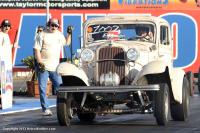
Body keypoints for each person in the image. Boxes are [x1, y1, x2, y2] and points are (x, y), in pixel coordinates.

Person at [33, 18, 72, 116]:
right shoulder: (41, 35)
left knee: (60, 88)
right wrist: (40, 62)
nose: (54, 27)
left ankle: (65, 107)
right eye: (52, 25)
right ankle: (46, 109)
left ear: (58, 26)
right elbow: (36, 49)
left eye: (56, 25)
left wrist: (69, 34)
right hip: (43, 66)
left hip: (55, 67)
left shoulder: (59, 34)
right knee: (42, 88)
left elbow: (67, 43)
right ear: (48, 24)